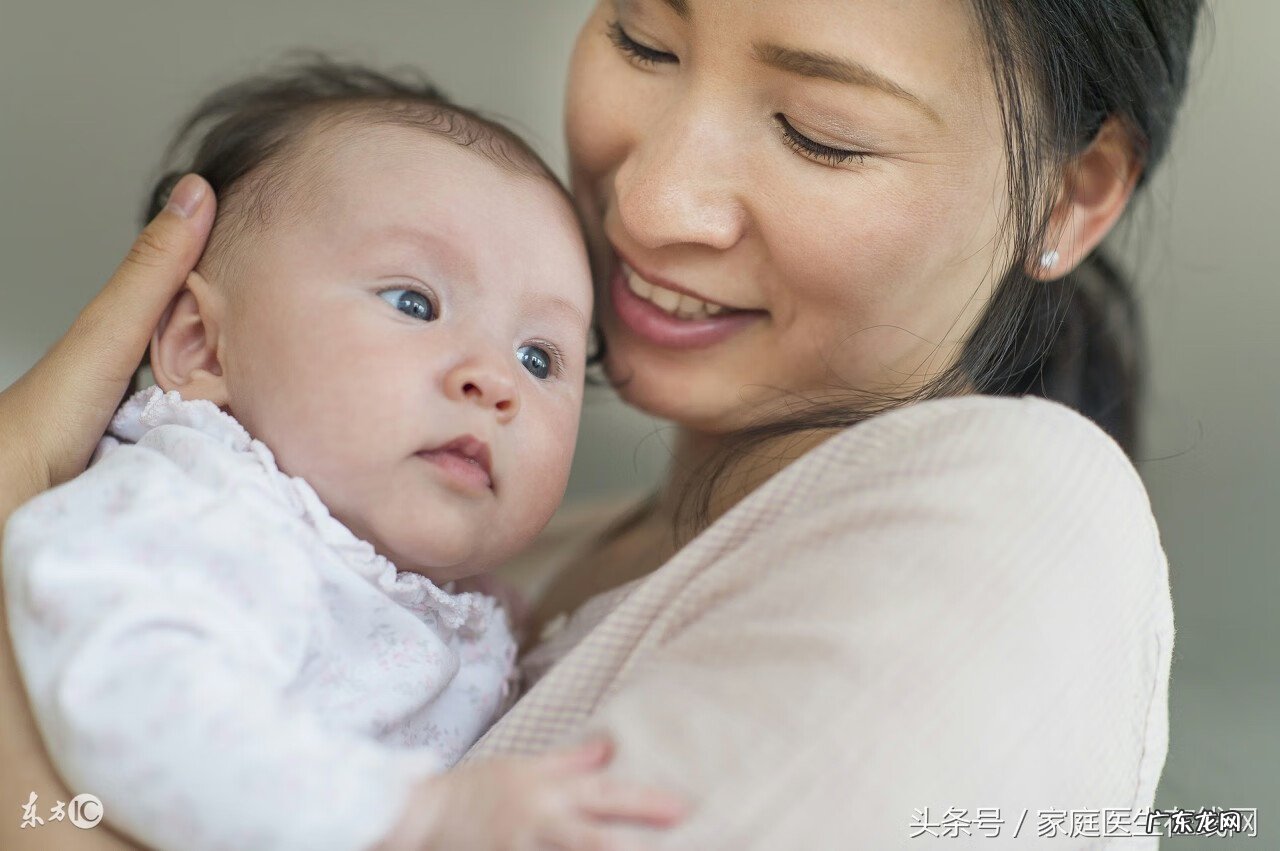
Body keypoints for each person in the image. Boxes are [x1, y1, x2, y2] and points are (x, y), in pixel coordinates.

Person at [0, 0, 1203, 847]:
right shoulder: (465, 565)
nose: (651, 198)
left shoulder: (1007, 509)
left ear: (1072, 191)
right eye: (641, 34)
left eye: (818, 133)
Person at [2, 63, 686, 851]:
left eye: (540, 357)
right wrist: (415, 816)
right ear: (202, 347)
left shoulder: (477, 610)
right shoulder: (196, 509)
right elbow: (138, 700)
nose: (496, 379)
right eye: (413, 302)